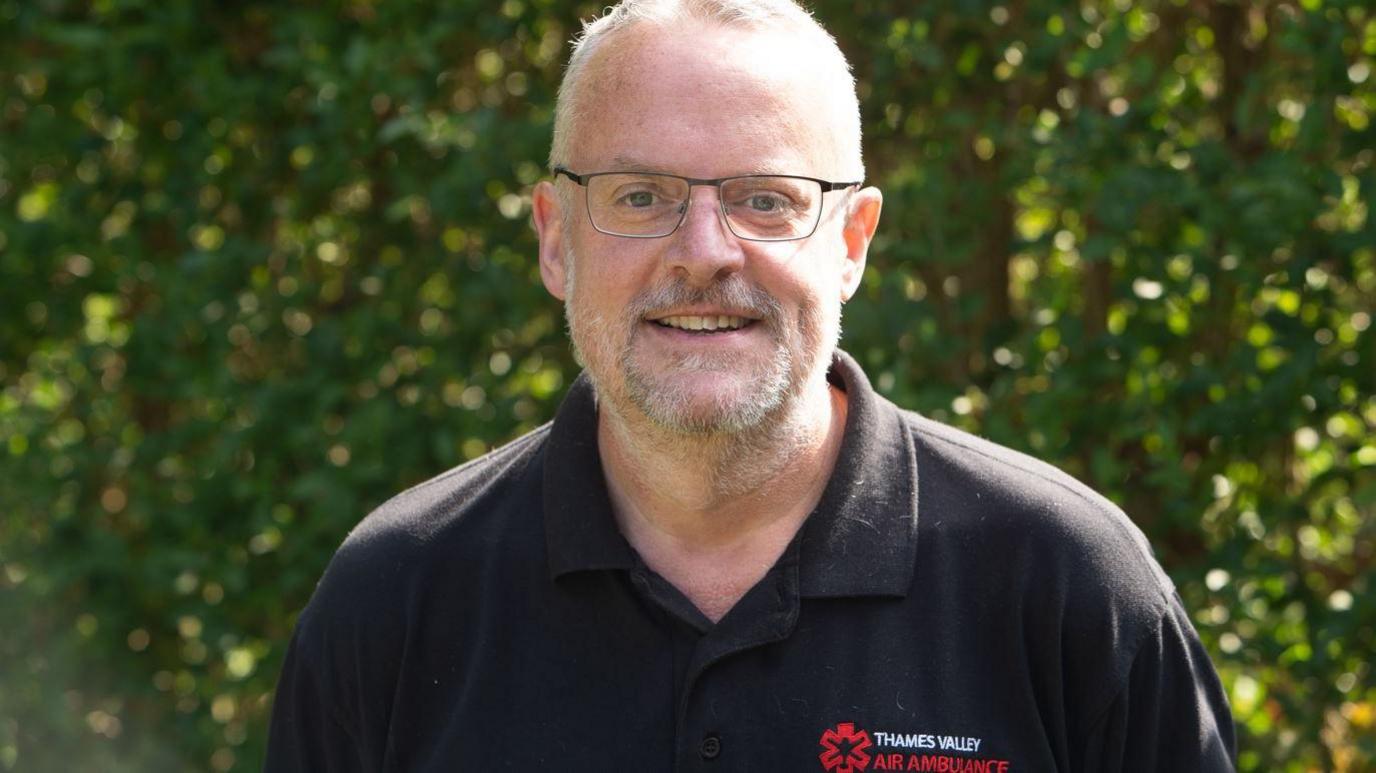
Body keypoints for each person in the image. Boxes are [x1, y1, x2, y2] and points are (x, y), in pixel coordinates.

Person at [265, 1, 1237, 770]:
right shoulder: (394, 599)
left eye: (763, 199)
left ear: (851, 241)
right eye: (639, 196)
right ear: (555, 237)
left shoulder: (1064, 585)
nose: (703, 253)